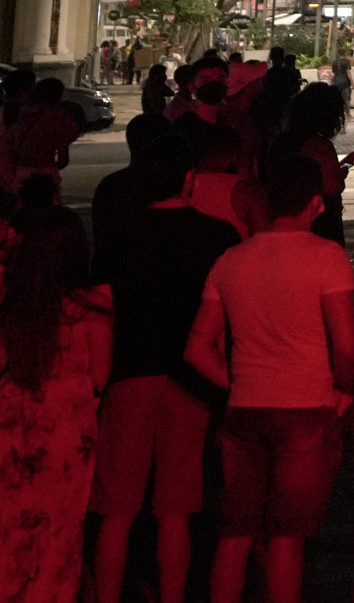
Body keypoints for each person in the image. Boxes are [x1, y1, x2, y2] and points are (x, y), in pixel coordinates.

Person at [186, 150, 354, 603]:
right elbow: (345, 344)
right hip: (305, 407)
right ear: (316, 204)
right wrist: (345, 392)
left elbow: (197, 347)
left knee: (236, 536)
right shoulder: (326, 258)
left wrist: (235, 381)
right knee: (287, 539)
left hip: (245, 409)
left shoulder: (231, 260)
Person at [91, 126, 237, 603]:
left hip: (130, 375)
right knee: (176, 510)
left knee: (117, 511)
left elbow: (101, 304)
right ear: (189, 179)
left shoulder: (122, 236)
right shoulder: (217, 237)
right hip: (190, 382)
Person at [0, 206, 112, 603]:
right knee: (59, 535)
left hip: (12, 434)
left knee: (11, 529)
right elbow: (99, 378)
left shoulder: (11, 312)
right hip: (67, 441)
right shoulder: (90, 314)